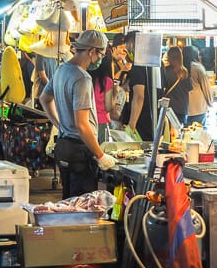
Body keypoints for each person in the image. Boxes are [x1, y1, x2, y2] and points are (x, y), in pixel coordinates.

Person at [40, 30, 116, 199]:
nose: (99, 59)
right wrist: (100, 155)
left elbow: (44, 98)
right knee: (81, 206)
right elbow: (82, 125)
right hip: (79, 152)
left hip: (63, 146)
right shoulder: (82, 78)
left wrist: (59, 124)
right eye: (100, 54)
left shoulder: (62, 70)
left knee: (68, 201)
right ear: (91, 51)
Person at [123, 31, 156, 142]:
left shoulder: (139, 65)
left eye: (127, 46)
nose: (127, 51)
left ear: (132, 44)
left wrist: (131, 126)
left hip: (142, 122)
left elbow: (139, 96)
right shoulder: (157, 64)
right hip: (156, 121)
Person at [161, 46, 193, 125]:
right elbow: (189, 88)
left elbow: (162, 87)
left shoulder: (166, 71)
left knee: (170, 132)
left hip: (170, 108)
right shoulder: (185, 72)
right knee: (179, 131)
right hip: (183, 107)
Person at [184, 45, 213, 127]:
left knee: (185, 134)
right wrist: (210, 101)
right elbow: (206, 87)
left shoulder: (180, 68)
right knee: (198, 134)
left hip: (184, 108)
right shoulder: (197, 68)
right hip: (198, 108)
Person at [89, 47, 114, 142]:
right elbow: (108, 107)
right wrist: (115, 94)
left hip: (87, 120)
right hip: (101, 121)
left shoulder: (86, 78)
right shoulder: (107, 81)